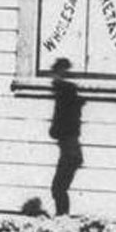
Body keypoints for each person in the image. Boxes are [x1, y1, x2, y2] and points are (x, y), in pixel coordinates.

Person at [49, 56, 84, 216]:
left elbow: (58, 129)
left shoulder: (65, 96)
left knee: (58, 188)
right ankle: (62, 217)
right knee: (59, 188)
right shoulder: (67, 95)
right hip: (71, 149)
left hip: (70, 150)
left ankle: (63, 219)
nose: (53, 79)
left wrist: (56, 130)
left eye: (56, 74)